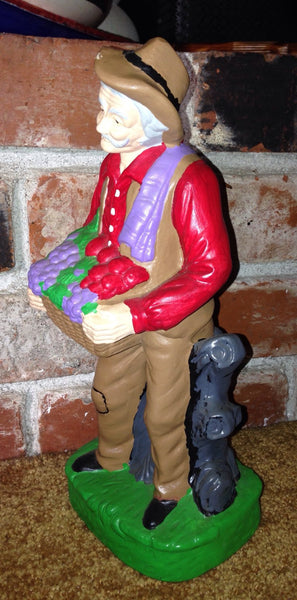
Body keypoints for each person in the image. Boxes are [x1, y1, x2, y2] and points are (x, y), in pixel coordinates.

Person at [29, 37, 232, 529]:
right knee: (110, 392)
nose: (100, 125)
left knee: (165, 412)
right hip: (118, 294)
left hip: (171, 319)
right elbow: (95, 229)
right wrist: (48, 275)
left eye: (115, 118)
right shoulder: (112, 165)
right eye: (103, 110)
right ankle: (112, 455)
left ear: (155, 123)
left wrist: (138, 314)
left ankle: (171, 487)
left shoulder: (190, 179)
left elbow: (211, 268)